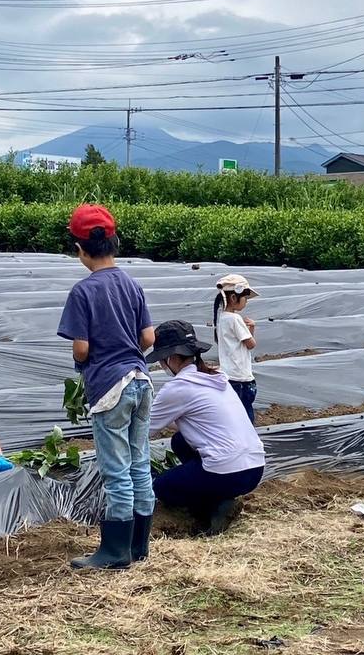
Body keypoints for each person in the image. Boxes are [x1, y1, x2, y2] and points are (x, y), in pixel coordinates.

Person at [56, 204, 157, 570]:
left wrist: (86, 365)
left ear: (79, 248)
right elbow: (149, 337)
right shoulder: (132, 284)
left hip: (110, 387)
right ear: (113, 242)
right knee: (139, 464)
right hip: (142, 381)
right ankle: (138, 545)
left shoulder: (83, 292)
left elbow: (81, 347)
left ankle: (114, 551)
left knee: (116, 470)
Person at [147, 320, 265, 536]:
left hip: (227, 472)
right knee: (179, 441)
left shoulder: (178, 388)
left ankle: (215, 507)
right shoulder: (216, 377)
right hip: (255, 468)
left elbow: (143, 431)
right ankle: (216, 494)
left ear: (171, 358)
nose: (162, 366)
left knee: (162, 487)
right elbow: (194, 420)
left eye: (162, 361)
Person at [213, 274, 259, 423]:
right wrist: (253, 327)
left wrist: (248, 330)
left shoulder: (222, 318)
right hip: (241, 377)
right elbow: (250, 344)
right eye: (245, 298)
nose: (246, 302)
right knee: (246, 413)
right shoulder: (235, 319)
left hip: (228, 374)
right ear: (234, 298)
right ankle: (249, 441)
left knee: (232, 414)